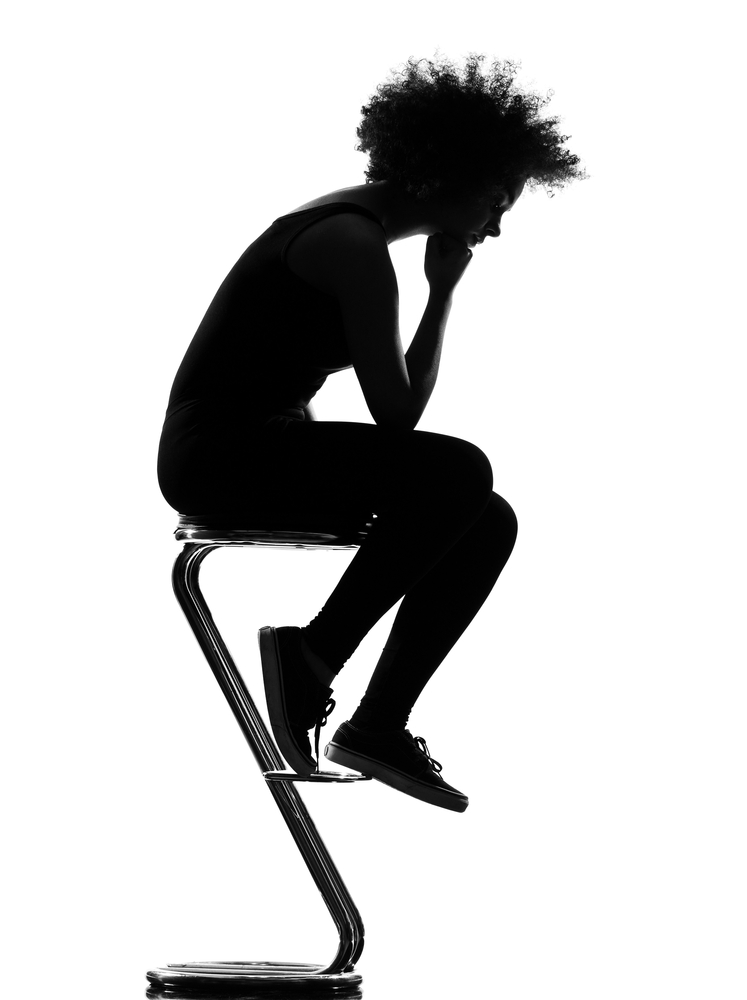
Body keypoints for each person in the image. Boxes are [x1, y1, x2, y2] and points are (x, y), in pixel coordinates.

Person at [157, 54, 586, 813]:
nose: (495, 226)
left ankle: (378, 724)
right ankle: (310, 655)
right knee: (460, 470)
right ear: (448, 172)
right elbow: (398, 414)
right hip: (219, 456)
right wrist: (440, 294)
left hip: (253, 449)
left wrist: (440, 289)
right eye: (495, 201)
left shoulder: (358, 236)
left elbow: (370, 403)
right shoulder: (348, 242)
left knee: (486, 518)